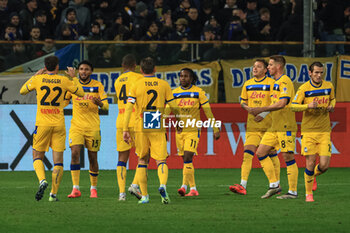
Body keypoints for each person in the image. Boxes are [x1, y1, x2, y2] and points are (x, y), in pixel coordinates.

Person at [19, 56, 84, 201]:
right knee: (58, 162)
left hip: (42, 124)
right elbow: (80, 93)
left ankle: (42, 180)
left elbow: (22, 91)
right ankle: (53, 195)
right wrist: (73, 78)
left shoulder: (38, 79)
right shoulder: (63, 80)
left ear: (45, 66)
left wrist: (36, 75)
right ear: (57, 67)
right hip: (59, 124)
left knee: (37, 156)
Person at [123, 57, 178, 204]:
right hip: (156, 120)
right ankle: (162, 185)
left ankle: (145, 196)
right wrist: (178, 120)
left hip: (140, 123)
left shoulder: (136, 84)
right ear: (155, 69)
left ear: (141, 70)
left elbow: (129, 108)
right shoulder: (164, 84)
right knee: (161, 160)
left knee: (142, 160)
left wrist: (125, 128)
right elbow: (173, 105)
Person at [250, 55, 298, 199]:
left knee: (288, 157)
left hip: (285, 126)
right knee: (260, 153)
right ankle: (274, 185)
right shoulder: (275, 83)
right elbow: (274, 104)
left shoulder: (285, 81)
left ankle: (292, 192)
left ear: (278, 66)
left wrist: (260, 109)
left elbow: (282, 103)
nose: (268, 67)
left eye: (270, 65)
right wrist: (263, 114)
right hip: (274, 126)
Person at [229, 59, 280, 195]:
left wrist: (263, 113)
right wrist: (248, 109)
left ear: (265, 70)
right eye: (254, 66)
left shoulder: (271, 83)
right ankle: (242, 185)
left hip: (269, 127)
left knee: (272, 155)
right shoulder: (248, 84)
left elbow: (277, 103)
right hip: (252, 127)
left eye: (259, 67)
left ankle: (276, 184)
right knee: (247, 155)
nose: (255, 69)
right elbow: (242, 101)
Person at [167, 68, 220, 197]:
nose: (183, 78)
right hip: (179, 131)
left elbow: (208, 111)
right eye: (181, 76)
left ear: (191, 78)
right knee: (185, 160)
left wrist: (215, 128)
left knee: (187, 157)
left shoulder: (198, 92)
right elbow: (166, 111)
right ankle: (191, 188)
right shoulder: (174, 93)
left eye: (186, 76)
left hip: (193, 129)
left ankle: (186, 187)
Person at [291, 62, 335, 202]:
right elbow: (293, 106)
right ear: (310, 73)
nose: (319, 75)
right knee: (310, 163)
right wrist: (307, 106)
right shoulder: (304, 88)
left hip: (324, 132)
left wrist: (331, 106)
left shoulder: (328, 86)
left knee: (324, 166)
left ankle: (313, 175)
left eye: (321, 72)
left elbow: (333, 99)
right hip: (308, 131)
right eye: (316, 72)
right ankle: (308, 194)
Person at [65, 60, 109, 199]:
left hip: (93, 128)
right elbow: (64, 101)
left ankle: (93, 188)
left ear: (91, 71)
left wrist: (100, 103)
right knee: (74, 154)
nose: (83, 71)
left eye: (87, 69)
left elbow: (107, 107)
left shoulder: (97, 86)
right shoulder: (72, 85)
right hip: (76, 127)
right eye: (81, 69)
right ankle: (75, 188)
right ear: (78, 71)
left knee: (93, 158)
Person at [114, 54, 144, 201]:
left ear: (122, 65)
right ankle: (134, 185)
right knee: (143, 155)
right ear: (135, 65)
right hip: (136, 120)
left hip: (121, 120)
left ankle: (121, 194)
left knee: (122, 157)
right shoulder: (138, 78)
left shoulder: (118, 81)